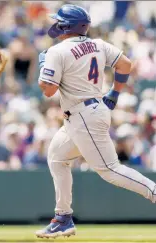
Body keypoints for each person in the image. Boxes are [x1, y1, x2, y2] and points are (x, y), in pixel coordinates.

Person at [36, 4, 156, 239]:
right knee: (57, 158)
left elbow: (48, 90)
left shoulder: (56, 52)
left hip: (83, 116)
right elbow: (125, 65)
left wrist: (43, 66)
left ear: (65, 26)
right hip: (87, 111)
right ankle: (63, 218)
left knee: (110, 170)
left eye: (59, 21)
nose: (56, 24)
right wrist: (114, 93)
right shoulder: (98, 44)